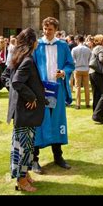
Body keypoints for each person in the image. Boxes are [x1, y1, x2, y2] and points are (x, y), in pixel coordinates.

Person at [4, 28, 46, 192]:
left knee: (27, 146)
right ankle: (21, 181)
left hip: (24, 111)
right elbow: (16, 82)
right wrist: (31, 97)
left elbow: (7, 78)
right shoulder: (27, 60)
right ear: (33, 43)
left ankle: (25, 174)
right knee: (22, 147)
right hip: (25, 111)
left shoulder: (19, 57)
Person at [31, 17, 74, 174]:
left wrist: (64, 72)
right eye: (45, 28)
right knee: (39, 121)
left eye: (50, 29)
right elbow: (32, 67)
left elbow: (70, 64)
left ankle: (58, 156)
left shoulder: (63, 46)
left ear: (56, 30)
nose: (47, 32)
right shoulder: (37, 46)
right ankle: (34, 159)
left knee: (57, 121)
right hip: (41, 90)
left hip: (57, 90)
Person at [89, 34, 103, 124]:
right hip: (98, 73)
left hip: (91, 72)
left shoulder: (95, 48)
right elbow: (102, 59)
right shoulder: (100, 48)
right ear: (101, 41)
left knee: (96, 94)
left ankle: (95, 114)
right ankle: (97, 115)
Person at [71, 35, 92, 109]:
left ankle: (78, 104)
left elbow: (72, 60)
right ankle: (87, 103)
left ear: (77, 40)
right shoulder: (88, 49)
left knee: (77, 87)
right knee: (86, 87)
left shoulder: (74, 49)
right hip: (86, 68)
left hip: (77, 69)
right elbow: (90, 59)